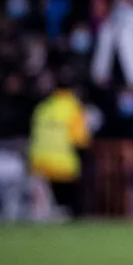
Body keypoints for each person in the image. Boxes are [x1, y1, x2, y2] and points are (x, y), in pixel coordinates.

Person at [27, 70, 89, 218]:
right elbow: (80, 141)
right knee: (70, 207)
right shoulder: (74, 108)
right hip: (63, 164)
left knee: (44, 208)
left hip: (39, 163)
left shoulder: (43, 107)